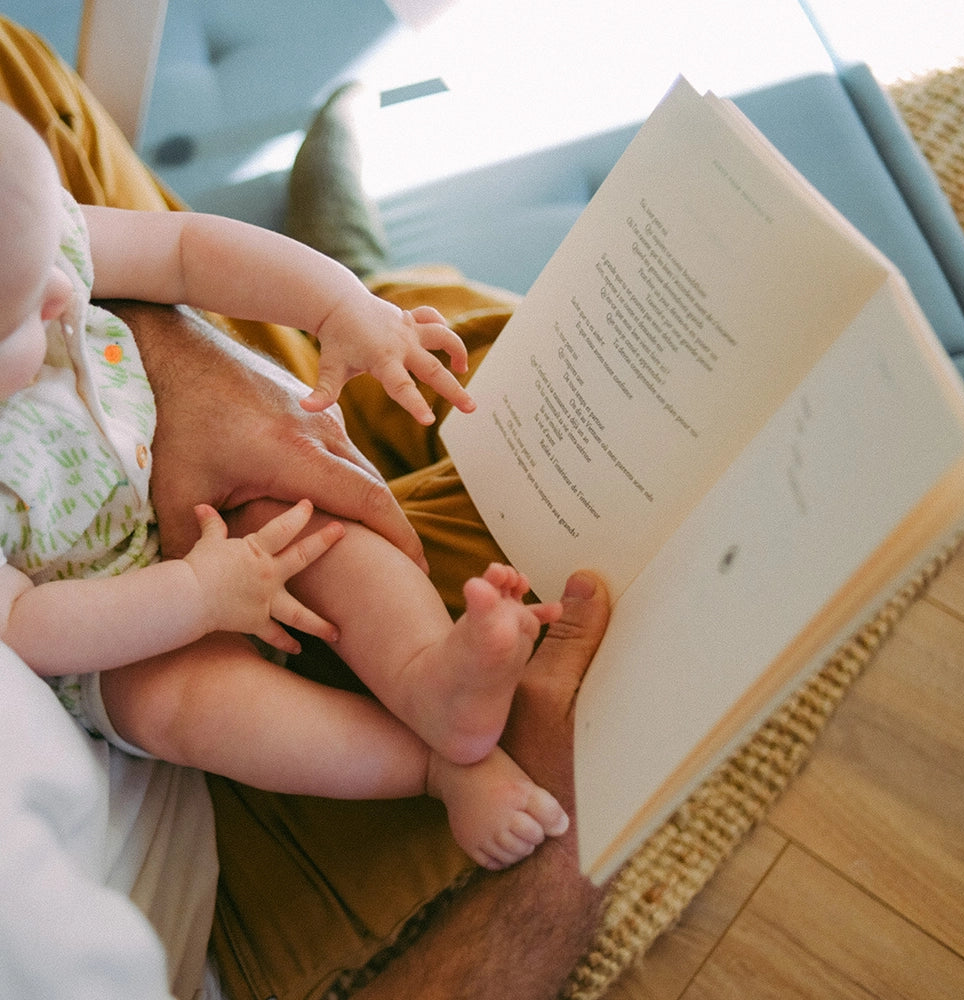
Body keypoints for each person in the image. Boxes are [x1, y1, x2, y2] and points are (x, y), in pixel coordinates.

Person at [0, 14, 612, 1000]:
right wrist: (195, 598)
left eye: (52, 270)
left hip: (191, 477)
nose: (68, 303)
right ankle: (434, 766)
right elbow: (27, 624)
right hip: (120, 635)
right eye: (24, 313)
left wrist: (337, 313)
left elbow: (188, 250)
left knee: (320, 512)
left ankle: (432, 674)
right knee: (186, 709)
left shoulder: (37, 246)